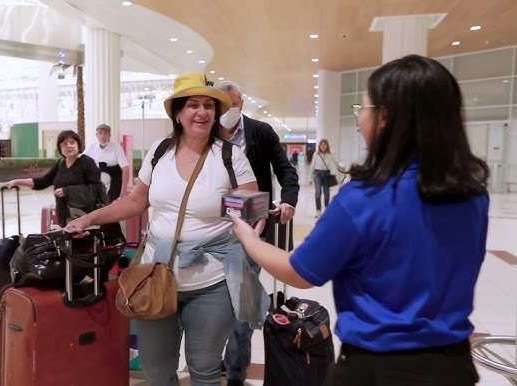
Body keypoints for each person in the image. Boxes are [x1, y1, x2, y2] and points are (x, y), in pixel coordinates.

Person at [229, 54, 488, 386]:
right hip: (454, 365)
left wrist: (249, 238)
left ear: (386, 118)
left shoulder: (365, 198)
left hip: (379, 368)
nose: (358, 121)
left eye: (362, 110)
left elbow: (300, 272)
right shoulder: (473, 195)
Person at [65, 73, 268, 386]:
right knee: (157, 370)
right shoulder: (160, 151)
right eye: (192, 105)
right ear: (178, 112)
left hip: (212, 282)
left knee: (204, 368)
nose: (201, 112)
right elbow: (135, 201)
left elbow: (252, 206)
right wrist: (90, 218)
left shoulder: (229, 156)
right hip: (156, 276)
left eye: (208, 106)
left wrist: (248, 211)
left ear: (215, 113)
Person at [215, 79, 300, 386]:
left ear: (241, 104)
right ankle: (214, 365)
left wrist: (288, 200)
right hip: (213, 231)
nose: (227, 111)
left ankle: (236, 372)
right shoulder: (204, 134)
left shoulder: (259, 132)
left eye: (233, 104)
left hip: (252, 228)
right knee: (213, 305)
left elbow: (285, 170)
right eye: (222, 105)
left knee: (243, 306)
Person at [4, 130, 106, 228]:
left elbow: (95, 190)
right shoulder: (61, 163)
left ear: (78, 145)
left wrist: (68, 191)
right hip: (65, 216)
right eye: (64, 144)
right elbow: (43, 182)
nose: (69, 146)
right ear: (60, 148)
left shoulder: (87, 162)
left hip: (85, 217)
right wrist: (17, 181)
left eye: (72, 142)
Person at [83, 123, 131, 202]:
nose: (102, 136)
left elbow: (125, 168)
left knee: (112, 204)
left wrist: (124, 189)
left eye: (105, 133)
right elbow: (82, 160)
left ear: (109, 135)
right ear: (97, 135)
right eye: (100, 133)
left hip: (114, 177)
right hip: (96, 178)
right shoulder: (92, 147)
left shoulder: (116, 147)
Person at [309, 139, 338, 217]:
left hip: (327, 174)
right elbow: (312, 166)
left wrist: (343, 167)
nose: (323, 146)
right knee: (318, 193)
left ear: (327, 146)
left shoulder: (331, 153)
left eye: (325, 145)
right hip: (317, 174)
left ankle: (326, 210)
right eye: (321, 145)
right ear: (319, 146)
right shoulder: (316, 154)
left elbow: (337, 162)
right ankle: (318, 211)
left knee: (327, 193)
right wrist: (310, 178)